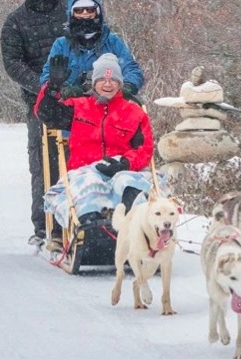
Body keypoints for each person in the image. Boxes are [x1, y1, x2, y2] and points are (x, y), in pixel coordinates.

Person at [36, 53, 154, 228]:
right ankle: (89, 229)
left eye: (113, 79)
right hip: (84, 171)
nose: (107, 84)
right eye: (102, 80)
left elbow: (145, 148)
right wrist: (53, 87)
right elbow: (46, 114)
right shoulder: (78, 106)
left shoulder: (133, 113)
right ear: (94, 83)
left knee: (128, 185)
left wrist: (125, 163)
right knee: (89, 185)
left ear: (120, 83)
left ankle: (131, 229)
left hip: (120, 169)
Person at [0, 0, 67, 246]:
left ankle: (81, 218)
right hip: (39, 103)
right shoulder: (15, 22)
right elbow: (13, 62)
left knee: (82, 156)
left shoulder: (71, 8)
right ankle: (45, 226)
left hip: (78, 97)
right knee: (43, 162)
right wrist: (41, 85)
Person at [39, 0, 144, 100]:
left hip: (108, 105)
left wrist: (127, 87)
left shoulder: (112, 41)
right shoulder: (61, 45)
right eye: (79, 10)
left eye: (90, 9)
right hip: (71, 108)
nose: (85, 13)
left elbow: (131, 69)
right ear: (71, 14)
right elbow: (46, 77)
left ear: (97, 12)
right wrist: (63, 89)